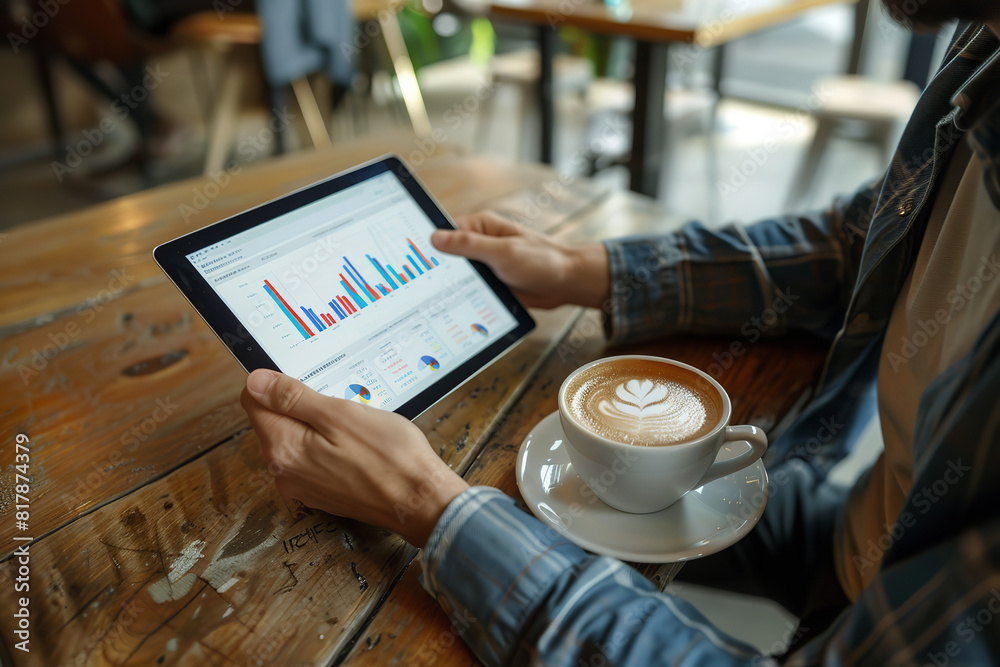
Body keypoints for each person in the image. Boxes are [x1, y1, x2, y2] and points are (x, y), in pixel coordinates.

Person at [239, 4, 1000, 665]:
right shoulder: (983, 49)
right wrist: (583, 268)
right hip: (855, 530)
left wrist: (428, 503)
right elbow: (853, 241)